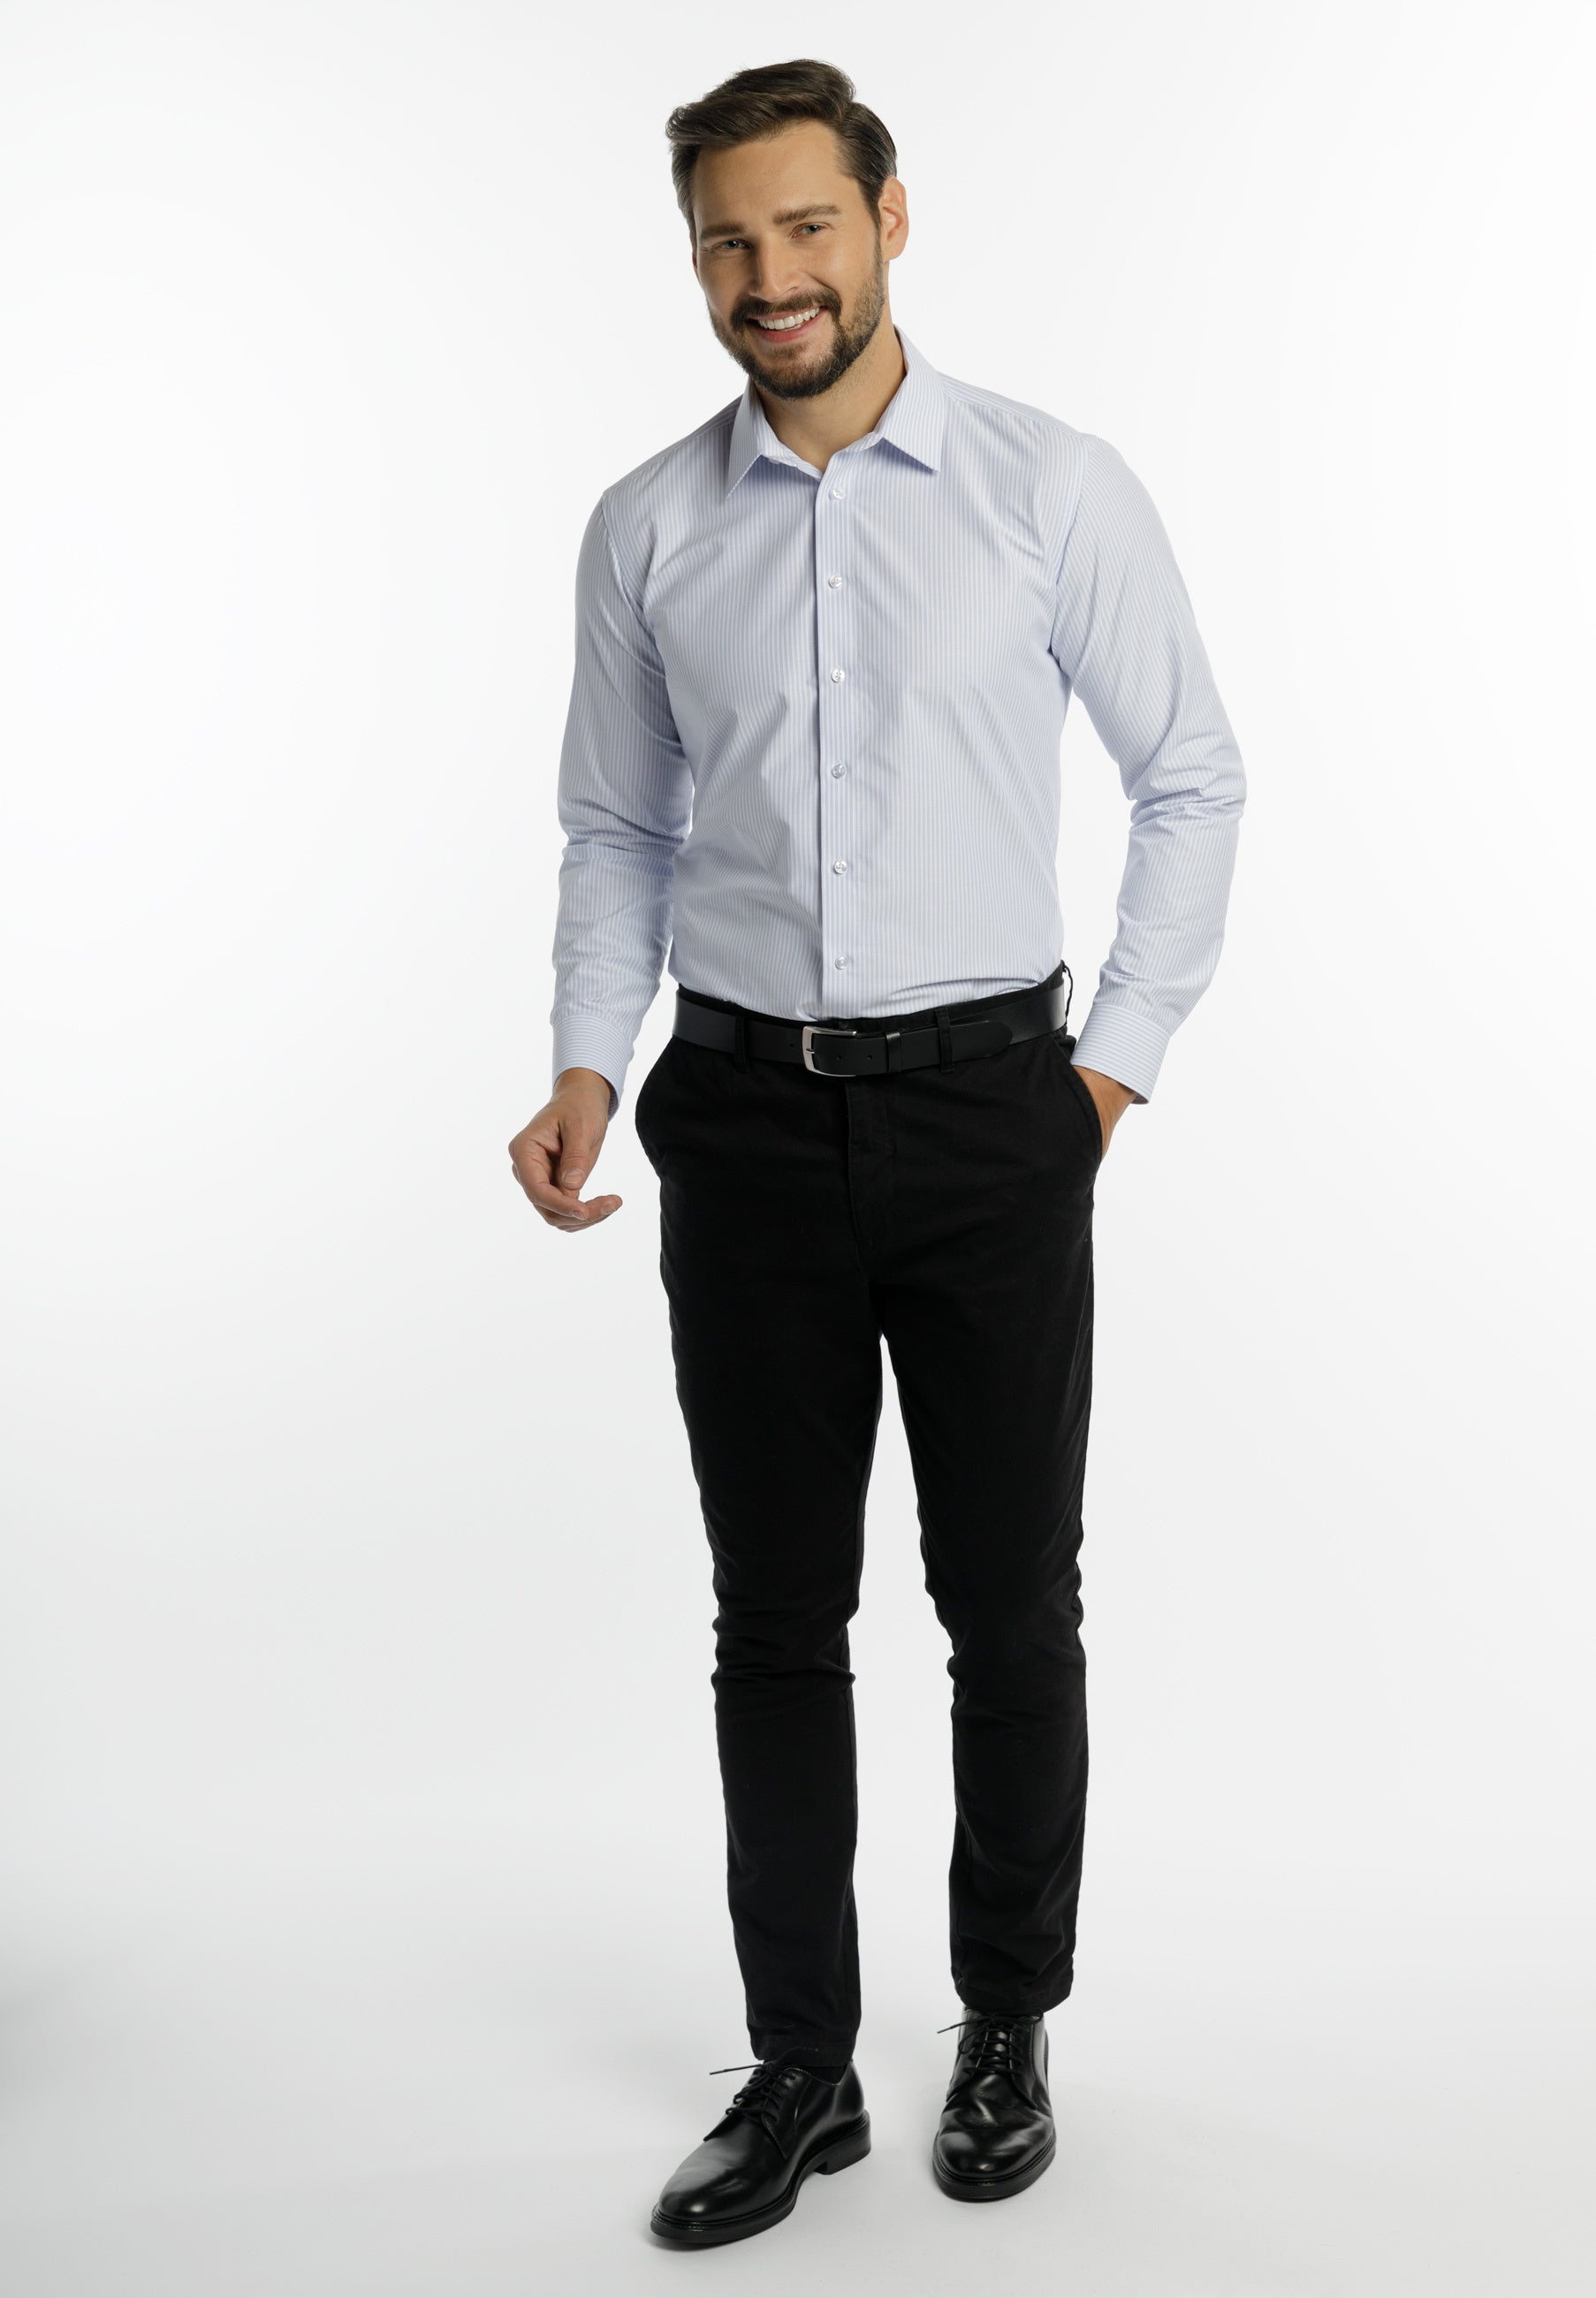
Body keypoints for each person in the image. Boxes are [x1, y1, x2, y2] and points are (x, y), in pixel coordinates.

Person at [509, 57, 1245, 2248]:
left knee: (1009, 1604)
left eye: (807, 226)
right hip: (739, 1122)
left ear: (890, 220)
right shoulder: (649, 526)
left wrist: (1103, 1077)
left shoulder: (1048, 486)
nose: (773, 277)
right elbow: (617, 825)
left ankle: (1006, 2019)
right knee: (774, 1616)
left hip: (994, 1113)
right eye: (728, 241)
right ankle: (804, 2062)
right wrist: (585, 1060)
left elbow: (1193, 777)